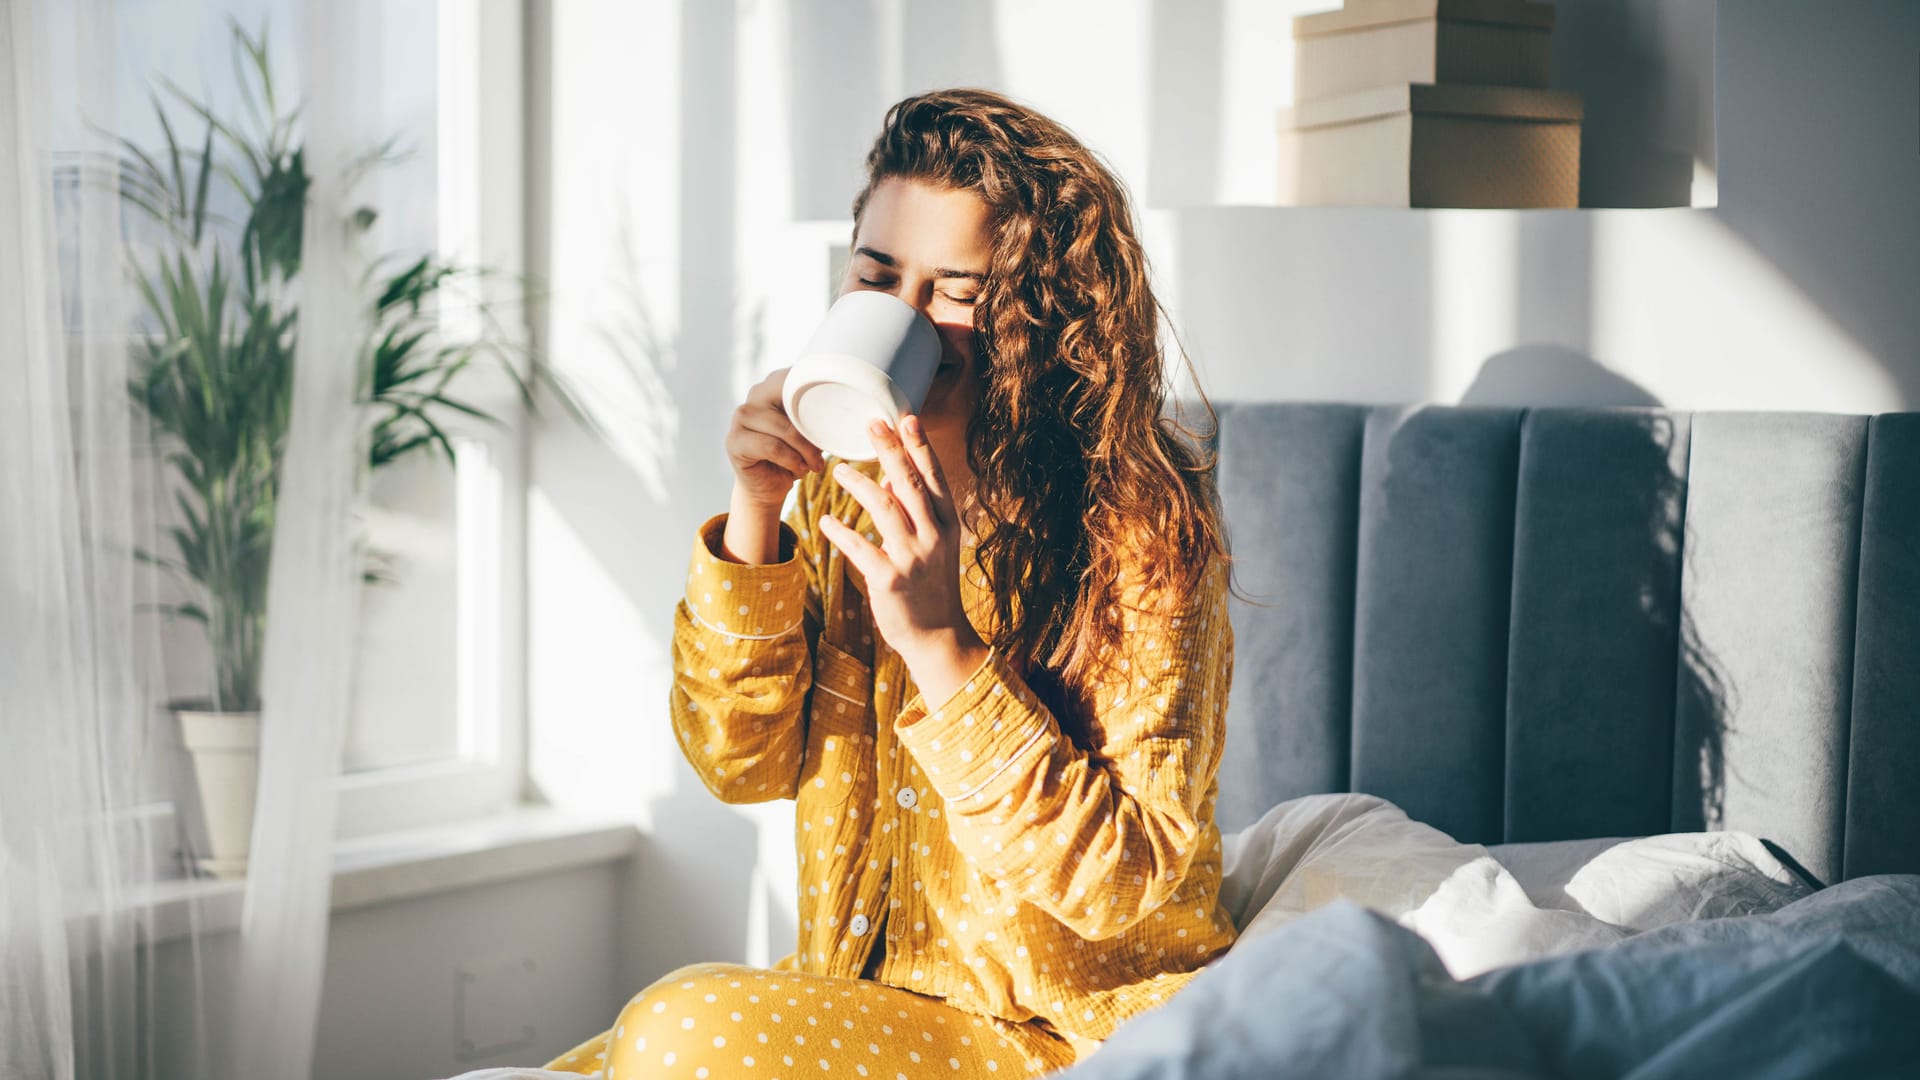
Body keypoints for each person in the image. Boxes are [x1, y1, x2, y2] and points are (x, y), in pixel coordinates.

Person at [543, 87, 1244, 1079]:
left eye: (955, 290)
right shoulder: (841, 490)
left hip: (1056, 1034)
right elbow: (737, 764)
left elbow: (1120, 880)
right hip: (869, 1007)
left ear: (1038, 315)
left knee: (677, 1033)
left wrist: (939, 645)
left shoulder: (1137, 532)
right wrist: (757, 511)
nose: (909, 318)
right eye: (878, 277)